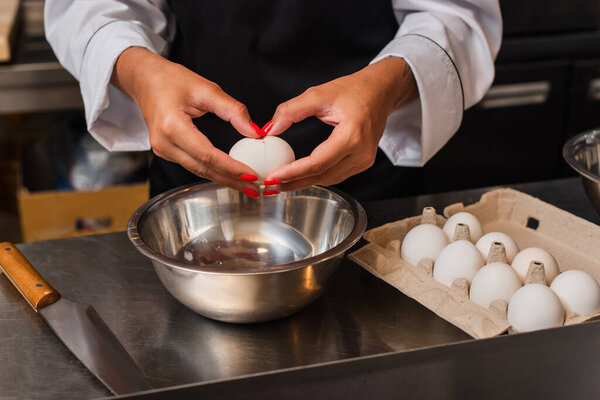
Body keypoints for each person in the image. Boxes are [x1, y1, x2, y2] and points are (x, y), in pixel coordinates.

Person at [45, 1, 501, 202]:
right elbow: (94, 6)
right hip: (193, 178)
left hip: (367, 171)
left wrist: (388, 86)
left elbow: (452, 15)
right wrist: (139, 72)